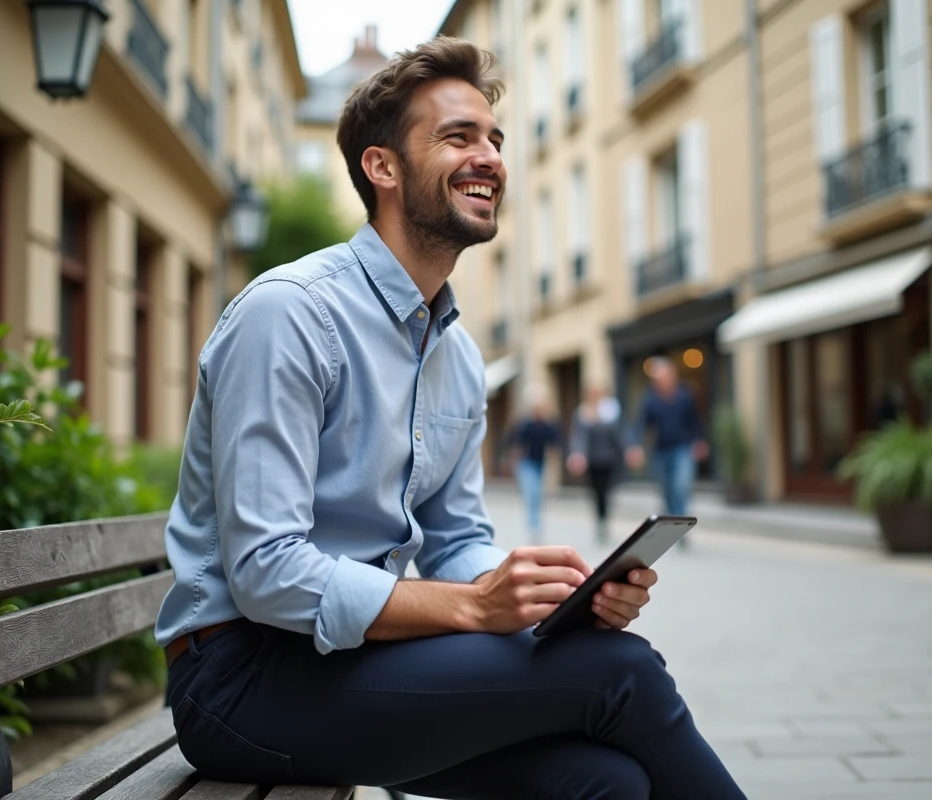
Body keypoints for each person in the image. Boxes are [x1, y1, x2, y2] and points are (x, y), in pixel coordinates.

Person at [155, 38, 745, 799]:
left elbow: (457, 535)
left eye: (494, 139)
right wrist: (473, 607)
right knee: (620, 673)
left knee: (604, 781)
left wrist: (542, 600)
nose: (490, 157)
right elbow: (267, 572)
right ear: (384, 168)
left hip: (352, 662)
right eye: (458, 136)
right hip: (241, 680)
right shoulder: (290, 315)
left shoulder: (457, 354)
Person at [626, 357, 708, 524]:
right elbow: (641, 424)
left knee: (681, 485)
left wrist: (700, 441)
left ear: (672, 376)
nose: (659, 381)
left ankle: (680, 520)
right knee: (666, 489)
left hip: (682, 448)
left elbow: (695, 421)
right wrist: (635, 446)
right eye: (656, 379)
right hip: (661, 450)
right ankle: (672, 516)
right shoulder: (650, 400)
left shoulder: (684, 396)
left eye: (662, 376)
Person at [567, 387, 626, 543]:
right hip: (593, 462)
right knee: (596, 492)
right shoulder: (582, 413)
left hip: (609, 460)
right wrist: (578, 455)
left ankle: (604, 519)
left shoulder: (611, 411)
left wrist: (628, 449)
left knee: (607, 492)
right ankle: (600, 520)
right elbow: (578, 438)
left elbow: (620, 434)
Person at [506, 394, 561, 543]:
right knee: (531, 494)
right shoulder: (526, 425)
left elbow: (554, 445)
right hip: (526, 464)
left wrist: (553, 463)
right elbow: (515, 443)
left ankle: (536, 527)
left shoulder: (548, 426)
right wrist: (514, 461)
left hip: (540, 465)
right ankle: (533, 528)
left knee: (537, 497)